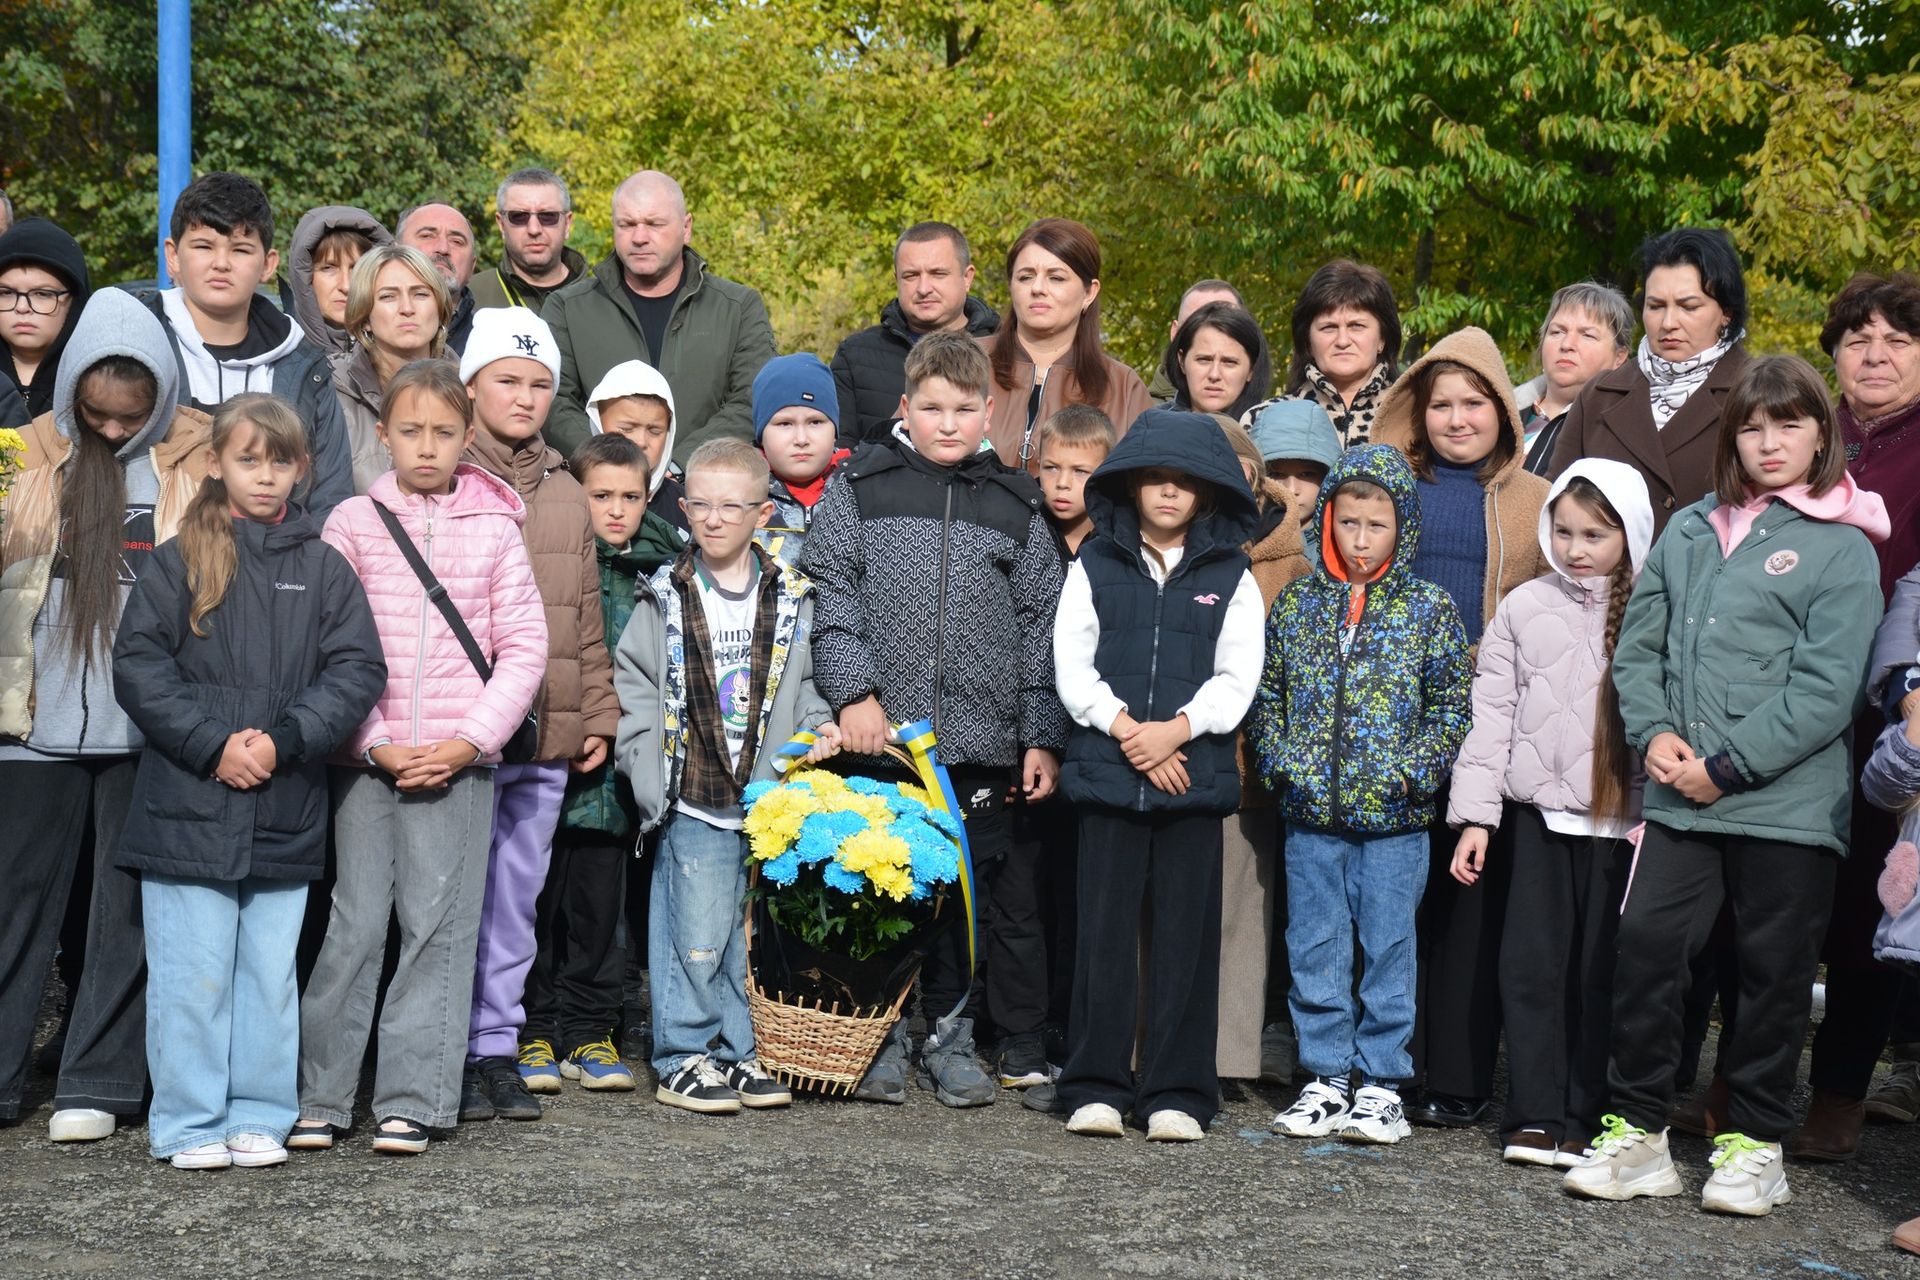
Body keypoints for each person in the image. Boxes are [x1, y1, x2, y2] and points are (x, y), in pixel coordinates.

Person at [1564, 355, 1887, 1217]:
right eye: (1752, 425)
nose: (1770, 441)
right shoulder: (1690, 529)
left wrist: (1728, 768)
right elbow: (1638, 648)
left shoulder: (1844, 546)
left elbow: (1828, 687)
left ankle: (1753, 1144)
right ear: (1732, 437)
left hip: (1784, 808)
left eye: (1789, 424)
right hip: (1677, 795)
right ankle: (1636, 1134)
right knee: (1647, 953)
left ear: (1823, 433)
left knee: (1772, 975)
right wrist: (1658, 736)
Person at [112, 394, 384, 1170]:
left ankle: (260, 1112)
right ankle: (189, 1124)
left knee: (268, 977)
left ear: (304, 467)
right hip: (185, 806)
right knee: (192, 978)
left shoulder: (325, 567)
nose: (265, 477)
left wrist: (287, 739)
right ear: (215, 464)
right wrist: (210, 746)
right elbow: (138, 664)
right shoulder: (177, 560)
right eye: (248, 459)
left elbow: (357, 666)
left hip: (284, 800)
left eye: (280, 461)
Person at [800, 331, 1069, 1107]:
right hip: (883, 741)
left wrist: (1040, 734)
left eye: (963, 409)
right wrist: (854, 695)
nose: (947, 424)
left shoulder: (1017, 502)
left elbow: (1041, 625)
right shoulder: (863, 487)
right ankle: (879, 1035)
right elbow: (833, 592)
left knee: (960, 898)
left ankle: (951, 1037)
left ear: (989, 410)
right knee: (880, 888)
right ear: (904, 408)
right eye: (931, 408)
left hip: (983, 743)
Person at [294, 358, 547, 1156]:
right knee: (356, 924)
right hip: (367, 761)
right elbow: (330, 645)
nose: (428, 447)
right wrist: (374, 742)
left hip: (459, 761)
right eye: (411, 432)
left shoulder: (497, 528)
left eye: (444, 432)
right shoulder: (352, 523)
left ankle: (412, 1098)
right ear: (383, 434)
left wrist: (469, 740)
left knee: (437, 927)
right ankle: (323, 1096)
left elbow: (524, 648)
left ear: (467, 436)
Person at [0, 288, 211, 1141]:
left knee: (124, 909)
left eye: (133, 416)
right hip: (29, 719)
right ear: (72, 397)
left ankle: (99, 1081)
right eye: (98, 415)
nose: (116, 431)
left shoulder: (196, 456)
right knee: (13, 905)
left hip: (143, 727)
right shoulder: (24, 454)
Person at [1052, 409, 1263, 1141]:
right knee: (1102, 939)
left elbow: (1239, 677)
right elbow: (1071, 666)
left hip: (1191, 780)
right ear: (1132, 485)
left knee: (1187, 941)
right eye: (1156, 480)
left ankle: (1178, 1092)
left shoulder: (1231, 574)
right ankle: (1094, 1086)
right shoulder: (1095, 563)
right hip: (1109, 773)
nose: (1169, 493)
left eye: (1186, 482)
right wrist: (1127, 732)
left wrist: (1174, 732)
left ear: (1207, 493)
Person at [614, 438, 842, 1113]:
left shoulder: (792, 594)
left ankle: (735, 1051)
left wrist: (818, 726)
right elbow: (635, 683)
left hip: (768, 790)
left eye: (731, 507)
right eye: (701, 506)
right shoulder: (665, 593)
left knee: (747, 931)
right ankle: (683, 1052)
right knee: (696, 928)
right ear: (683, 509)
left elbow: (807, 684)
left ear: (762, 513)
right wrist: (647, 769)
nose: (714, 520)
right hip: (694, 789)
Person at [1254, 443, 1471, 1146]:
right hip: (1310, 816)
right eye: (1348, 523)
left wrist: (1414, 772)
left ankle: (1381, 1083)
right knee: (1314, 945)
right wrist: (1281, 763)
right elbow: (1269, 694)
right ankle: (1326, 1076)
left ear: (1403, 527)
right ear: (1329, 523)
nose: (1362, 539)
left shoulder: (1429, 608)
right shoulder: (1298, 605)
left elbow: (1451, 708)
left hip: (1396, 823)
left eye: (1377, 526)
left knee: (1388, 949)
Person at [1367, 326, 1552, 1129]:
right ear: (1417, 411)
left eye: (1474, 401)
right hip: (1392, 716)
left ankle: (1460, 1071)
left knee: (1469, 897)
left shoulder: (1535, 499)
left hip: (1490, 720)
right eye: (1440, 403)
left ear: (1503, 411)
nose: (1456, 417)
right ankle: (1387, 1063)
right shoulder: (1388, 488)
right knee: (1392, 897)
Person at [1445, 458, 1653, 1167]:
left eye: (1594, 533)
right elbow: (1491, 715)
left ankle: (1585, 1114)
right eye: (1562, 531)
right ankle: (1533, 1112)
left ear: (1630, 533)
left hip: (1622, 828)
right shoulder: (1526, 606)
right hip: (1536, 819)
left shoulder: (1655, 609)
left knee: (1600, 974)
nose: (1575, 548)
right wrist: (1477, 817)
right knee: (1530, 967)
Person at [448, 308, 617, 1122]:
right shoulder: (443, 475)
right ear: (471, 385)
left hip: (546, 728)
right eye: (507, 381)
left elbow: (585, 613)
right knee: (451, 896)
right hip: (462, 731)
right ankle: (439, 1048)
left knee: (516, 898)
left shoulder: (567, 493)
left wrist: (597, 711)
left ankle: (495, 1045)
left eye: (540, 384)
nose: (524, 396)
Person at [1789, 271, 1920, 1162]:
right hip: (1783, 697)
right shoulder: (1798, 429)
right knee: (1773, 894)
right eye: (1858, 338)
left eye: (1899, 341)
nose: (1875, 355)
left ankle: (1838, 1093)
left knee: (1873, 904)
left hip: (1893, 713)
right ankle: (1744, 1083)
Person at [521, 432, 683, 1095]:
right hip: (551, 757)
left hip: (621, 774)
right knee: (534, 903)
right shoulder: (553, 558)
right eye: (600, 495)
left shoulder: (665, 570)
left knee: (599, 908)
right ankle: (532, 1028)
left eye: (631, 496)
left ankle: (592, 1029)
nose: (616, 510)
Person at [148, 172, 353, 520]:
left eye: (241, 249)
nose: (221, 263)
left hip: (277, 565)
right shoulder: (141, 345)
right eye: (203, 246)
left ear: (268, 264)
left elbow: (330, 500)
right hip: (157, 565)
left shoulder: (304, 364)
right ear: (173, 255)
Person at [1208, 418, 1312, 1083]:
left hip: (1251, 768)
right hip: (1170, 758)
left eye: (1238, 467)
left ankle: (1228, 1057)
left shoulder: (1291, 562)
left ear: (1256, 476)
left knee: (1242, 916)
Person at [1020, 403, 1117, 1102]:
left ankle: (1076, 1021)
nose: (1062, 484)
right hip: (1026, 735)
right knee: (1030, 888)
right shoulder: (1026, 534)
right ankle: (1033, 1023)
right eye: (1050, 468)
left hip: (1094, 739)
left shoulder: (1114, 546)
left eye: (1080, 472)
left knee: (1083, 892)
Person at [544, 170, 777, 460]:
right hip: (596, 490)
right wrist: (611, 463)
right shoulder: (567, 309)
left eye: (655, 224)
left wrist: (680, 464)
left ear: (686, 227)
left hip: (705, 492)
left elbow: (750, 401)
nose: (640, 237)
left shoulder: (738, 308)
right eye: (627, 224)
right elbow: (553, 402)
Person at [1547, 228, 1753, 537]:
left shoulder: (1757, 392)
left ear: (1726, 312)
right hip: (1600, 583)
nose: (1668, 323)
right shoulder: (1600, 395)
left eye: (1689, 307)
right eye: (1656, 306)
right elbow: (1554, 502)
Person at [982, 218, 1153, 472]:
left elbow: (1141, 486)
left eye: (1056, 278)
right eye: (1025, 277)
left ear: (1089, 293)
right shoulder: (960, 361)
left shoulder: (1123, 389)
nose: (1038, 288)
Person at [830, 222, 1001, 446]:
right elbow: (840, 455)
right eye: (911, 276)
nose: (923, 288)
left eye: (937, 273)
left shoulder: (1005, 350)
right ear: (896, 279)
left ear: (967, 277)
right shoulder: (855, 357)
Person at [331, 244, 456, 493]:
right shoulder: (330, 391)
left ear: (440, 307)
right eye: (388, 296)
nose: (407, 308)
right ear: (365, 316)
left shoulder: (472, 387)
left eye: (420, 294)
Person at [1269, 260, 1401, 448]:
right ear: (1307, 341)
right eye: (1328, 327)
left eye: (1357, 326)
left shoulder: (1416, 416)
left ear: (1382, 339)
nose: (1342, 341)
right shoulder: (1266, 418)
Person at [1514, 282, 1633, 476]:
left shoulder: (1620, 434)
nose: (1567, 344)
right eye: (1557, 332)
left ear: (1619, 357)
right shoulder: (1497, 414)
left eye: (1588, 335)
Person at [754, 353, 849, 562]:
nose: (801, 439)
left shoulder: (860, 487)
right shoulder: (740, 494)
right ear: (761, 435)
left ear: (835, 430)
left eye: (815, 422)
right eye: (785, 424)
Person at [0, 217, 90, 427]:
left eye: (42, 294)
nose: (22, 307)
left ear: (74, 301)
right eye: (6, 293)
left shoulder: (95, 384)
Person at [469, 168, 588, 314]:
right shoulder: (469, 298)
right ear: (501, 224)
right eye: (519, 217)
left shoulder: (601, 299)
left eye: (548, 216)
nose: (534, 229)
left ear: (567, 224)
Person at [282, 205, 390, 355]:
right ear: (304, 277)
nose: (346, 286)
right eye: (328, 268)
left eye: (357, 268)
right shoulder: (275, 354)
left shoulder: (403, 354)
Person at [1145, 279, 1272, 402]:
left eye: (1224, 323)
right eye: (1194, 324)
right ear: (1175, 332)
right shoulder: (1140, 414)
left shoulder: (1265, 419)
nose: (1209, 332)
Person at [1157, 302, 1271, 421]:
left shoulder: (1271, 433)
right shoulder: (1151, 429)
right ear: (1181, 361)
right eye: (1204, 360)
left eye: (1229, 362)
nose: (1214, 374)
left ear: (1251, 369)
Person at [394, 201, 478, 352]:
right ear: (394, 251)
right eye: (427, 236)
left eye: (457, 241)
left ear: (472, 266)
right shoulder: (361, 329)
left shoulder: (491, 341)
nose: (443, 248)